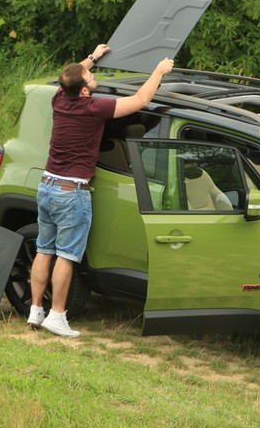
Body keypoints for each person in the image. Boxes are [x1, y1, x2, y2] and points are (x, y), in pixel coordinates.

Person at [27, 43, 175, 337]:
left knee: (44, 250)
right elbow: (140, 101)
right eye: (91, 78)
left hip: (47, 186)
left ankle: (35, 310)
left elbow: (71, 75)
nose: (95, 80)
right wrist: (159, 70)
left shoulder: (60, 98)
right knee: (67, 256)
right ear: (84, 91)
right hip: (72, 192)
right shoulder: (94, 108)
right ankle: (57, 315)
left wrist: (93, 57)